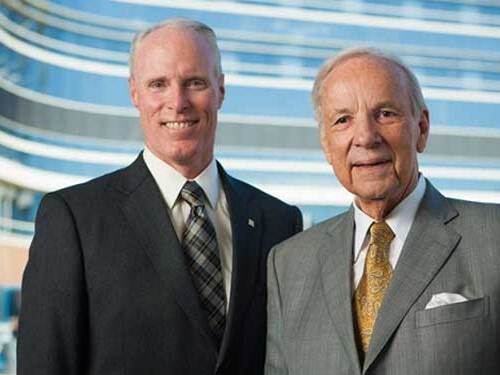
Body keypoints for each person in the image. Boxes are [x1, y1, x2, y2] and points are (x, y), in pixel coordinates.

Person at [18, 18, 302, 375]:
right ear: (135, 94)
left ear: (221, 90)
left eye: (195, 83)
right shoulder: (73, 219)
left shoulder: (280, 222)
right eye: (158, 84)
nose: (178, 102)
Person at [265, 47, 500, 375]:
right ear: (325, 145)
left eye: (386, 113)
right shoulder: (287, 264)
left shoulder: (494, 237)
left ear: (422, 127)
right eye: (343, 120)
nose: (365, 137)